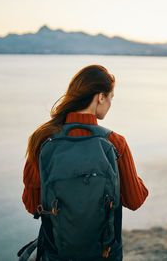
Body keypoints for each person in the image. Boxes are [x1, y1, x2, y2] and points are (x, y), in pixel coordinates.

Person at [22, 64, 149, 260]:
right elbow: (135, 200)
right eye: (111, 97)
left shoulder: (43, 140)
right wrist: (129, 177)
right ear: (100, 97)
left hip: (57, 253)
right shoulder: (115, 143)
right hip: (103, 254)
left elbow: (32, 205)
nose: (110, 103)